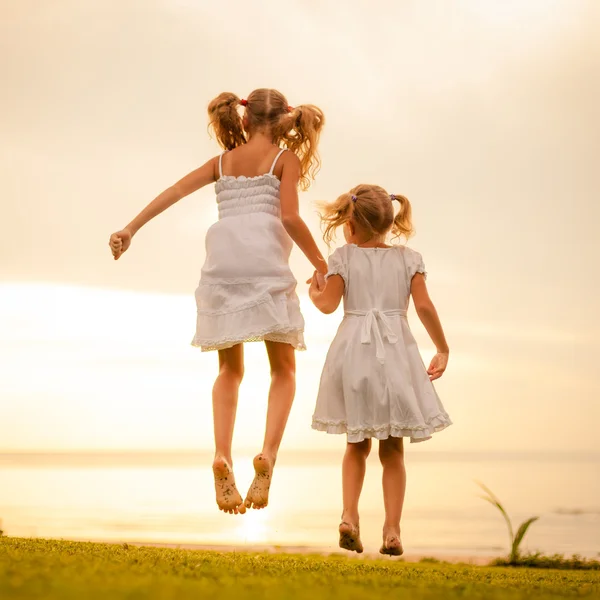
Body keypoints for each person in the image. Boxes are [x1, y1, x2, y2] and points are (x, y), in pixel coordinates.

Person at [109, 89, 327, 515]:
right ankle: (267, 453)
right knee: (283, 370)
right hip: (263, 262)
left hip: (224, 264)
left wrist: (130, 228)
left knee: (230, 370)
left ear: (243, 122)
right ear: (284, 121)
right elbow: (289, 217)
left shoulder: (222, 163)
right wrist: (320, 263)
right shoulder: (285, 160)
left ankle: (222, 454)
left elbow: (174, 191)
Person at [308, 184, 451, 555]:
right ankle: (392, 529)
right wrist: (442, 346)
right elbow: (424, 308)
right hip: (396, 355)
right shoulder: (409, 259)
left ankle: (349, 516)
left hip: (354, 352)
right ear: (389, 222)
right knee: (393, 451)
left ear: (350, 223)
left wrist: (314, 292)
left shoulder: (344, 257)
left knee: (356, 445)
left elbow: (326, 305)